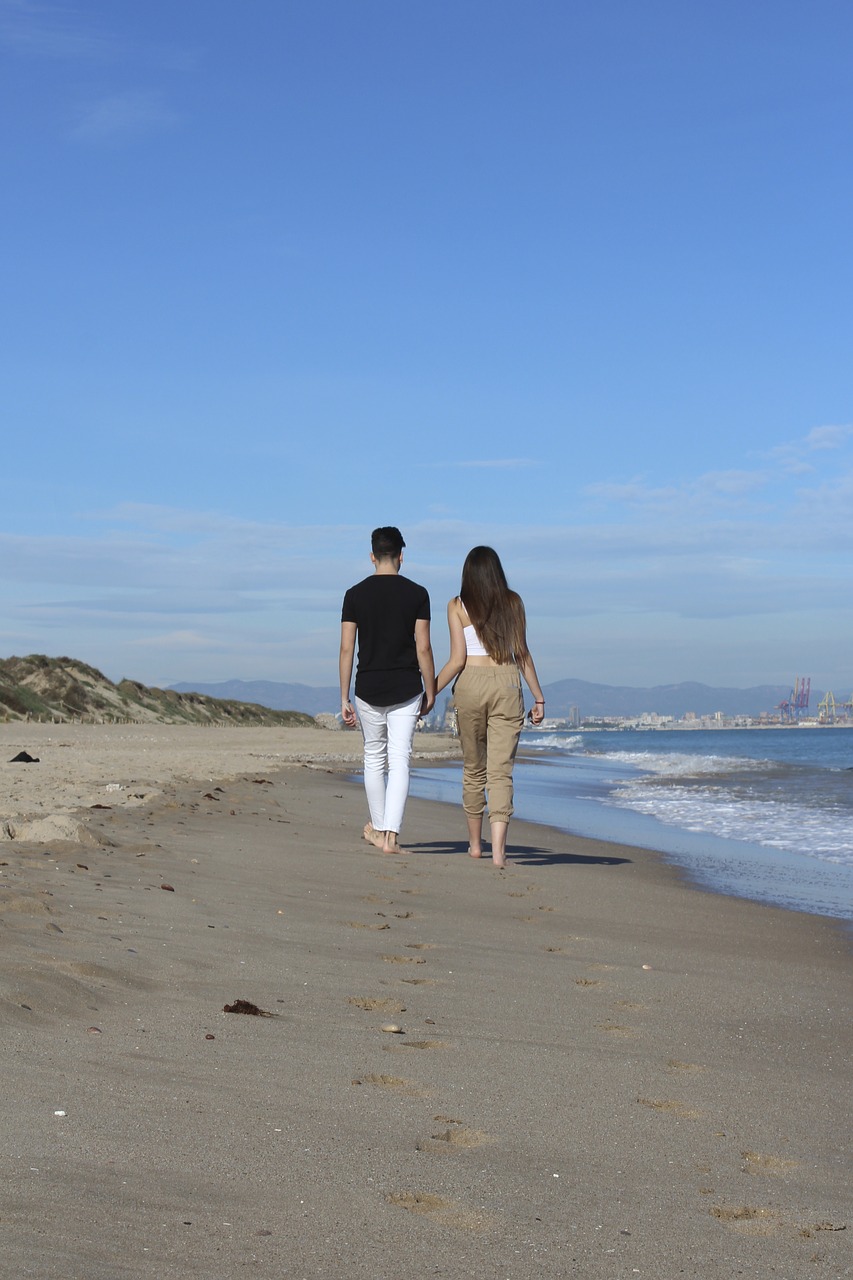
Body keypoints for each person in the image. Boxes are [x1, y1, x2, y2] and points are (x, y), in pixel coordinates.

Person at [435, 546, 545, 868]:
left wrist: (429, 692)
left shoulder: (457, 605)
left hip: (470, 682)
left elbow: (457, 660)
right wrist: (538, 698)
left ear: (467, 573)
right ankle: (499, 852)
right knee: (501, 772)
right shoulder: (513, 603)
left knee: (473, 768)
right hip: (507, 682)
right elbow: (522, 654)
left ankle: (474, 845)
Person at [339, 526, 436, 854]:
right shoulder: (417, 593)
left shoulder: (354, 594)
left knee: (374, 759)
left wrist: (343, 696)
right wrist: (432, 688)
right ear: (400, 557)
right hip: (407, 687)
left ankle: (380, 831)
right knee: (400, 760)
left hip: (367, 687)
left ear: (372, 557)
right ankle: (390, 837)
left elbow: (345, 649)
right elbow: (423, 647)